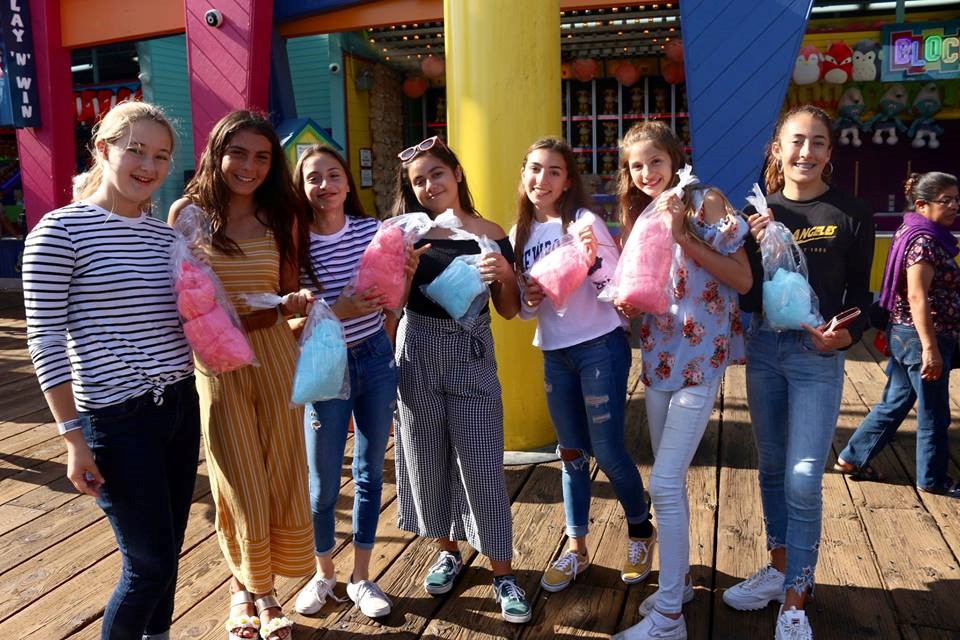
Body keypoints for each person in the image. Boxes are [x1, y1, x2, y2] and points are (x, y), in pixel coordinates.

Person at [22, 101, 200, 640]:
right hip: (116, 418)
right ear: (103, 149)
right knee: (146, 564)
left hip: (180, 404)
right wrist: (71, 436)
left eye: (161, 156)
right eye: (136, 150)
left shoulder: (167, 239)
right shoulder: (60, 233)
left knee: (168, 549)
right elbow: (45, 341)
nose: (148, 166)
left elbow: (190, 320)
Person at [724, 105, 874, 640]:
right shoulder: (755, 213)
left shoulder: (852, 213)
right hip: (766, 349)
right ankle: (781, 566)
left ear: (829, 153)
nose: (805, 152)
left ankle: (796, 597)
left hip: (818, 356)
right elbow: (743, 291)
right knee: (769, 468)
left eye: (817, 143)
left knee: (804, 477)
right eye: (796, 141)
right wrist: (746, 240)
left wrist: (847, 334)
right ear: (777, 150)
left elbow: (863, 295)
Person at [169, 110, 315, 640]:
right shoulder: (186, 214)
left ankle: (252, 587)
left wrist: (298, 302)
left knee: (279, 470)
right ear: (216, 153)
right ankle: (256, 592)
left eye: (262, 157)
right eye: (238, 153)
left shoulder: (283, 215)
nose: (248, 167)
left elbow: (288, 293)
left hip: (275, 349)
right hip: (217, 361)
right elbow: (177, 295)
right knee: (238, 477)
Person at [610, 123, 752, 640]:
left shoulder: (704, 200)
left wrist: (683, 236)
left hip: (700, 359)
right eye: (635, 166)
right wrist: (627, 306)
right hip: (658, 359)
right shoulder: (642, 213)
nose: (646, 173)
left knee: (664, 483)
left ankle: (669, 617)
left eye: (654, 161)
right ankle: (681, 581)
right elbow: (653, 290)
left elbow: (741, 278)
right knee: (671, 484)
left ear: (674, 157)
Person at [391, 135, 531, 623]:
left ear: (457, 175)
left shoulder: (491, 232)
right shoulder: (406, 233)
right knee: (426, 455)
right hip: (416, 351)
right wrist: (402, 275)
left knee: (482, 460)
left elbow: (509, 312)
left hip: (470, 352)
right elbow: (389, 307)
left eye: (437, 174)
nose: (429, 185)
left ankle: (503, 572)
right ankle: (448, 550)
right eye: (418, 180)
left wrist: (504, 276)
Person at [510, 137, 657, 598]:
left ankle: (640, 531)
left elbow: (619, 289)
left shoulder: (585, 221)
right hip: (555, 353)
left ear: (568, 180)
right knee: (570, 454)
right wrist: (530, 298)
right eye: (535, 169)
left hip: (599, 347)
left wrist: (590, 259)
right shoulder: (521, 234)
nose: (542, 180)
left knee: (608, 452)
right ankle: (576, 548)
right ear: (524, 175)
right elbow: (528, 309)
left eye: (554, 171)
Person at [289, 144, 398, 619]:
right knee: (322, 484)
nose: (325, 186)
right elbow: (288, 321)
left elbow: (391, 293)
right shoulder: (292, 243)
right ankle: (323, 573)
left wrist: (387, 330)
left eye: (334, 175)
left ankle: (361, 576)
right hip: (324, 365)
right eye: (314, 177)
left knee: (371, 472)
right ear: (301, 187)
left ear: (348, 184)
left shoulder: (373, 232)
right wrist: (338, 309)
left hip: (374, 358)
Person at [836, 171, 959, 496]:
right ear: (922, 204)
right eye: (945, 200)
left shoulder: (912, 230)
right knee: (934, 412)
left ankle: (851, 457)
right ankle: (933, 479)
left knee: (895, 402)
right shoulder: (925, 242)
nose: (954, 206)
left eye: (957, 200)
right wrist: (931, 349)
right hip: (923, 338)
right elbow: (917, 295)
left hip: (905, 335)